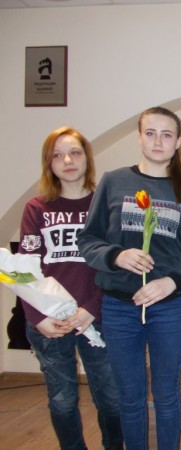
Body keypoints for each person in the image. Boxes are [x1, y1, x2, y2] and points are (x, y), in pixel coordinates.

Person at [78, 106, 181, 450]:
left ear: (178, 141)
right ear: (139, 137)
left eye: (167, 134)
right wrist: (116, 255)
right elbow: (89, 240)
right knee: (130, 397)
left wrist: (172, 282)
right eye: (150, 133)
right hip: (118, 309)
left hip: (169, 308)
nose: (158, 141)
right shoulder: (113, 181)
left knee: (167, 395)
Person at [18, 127, 123, 450]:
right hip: (50, 321)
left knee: (111, 399)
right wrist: (37, 317)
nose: (67, 161)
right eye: (58, 155)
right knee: (62, 401)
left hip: (96, 317)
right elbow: (24, 269)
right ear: (48, 163)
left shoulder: (104, 205)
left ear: (87, 159)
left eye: (75, 153)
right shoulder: (36, 208)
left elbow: (115, 265)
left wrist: (91, 308)